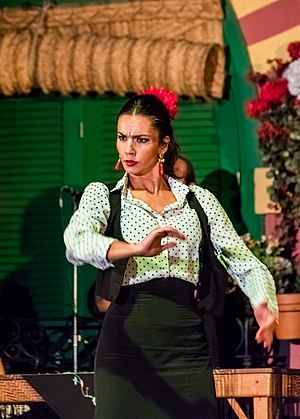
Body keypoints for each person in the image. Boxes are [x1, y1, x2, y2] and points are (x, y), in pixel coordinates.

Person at [63, 86, 278, 419]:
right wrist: (134, 248)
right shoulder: (104, 196)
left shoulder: (198, 201)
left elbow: (244, 262)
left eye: (141, 139)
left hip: (186, 346)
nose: (129, 149)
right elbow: (76, 242)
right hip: (125, 346)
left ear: (163, 144)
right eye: (122, 138)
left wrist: (264, 303)